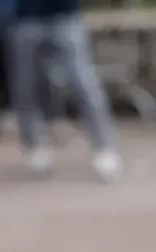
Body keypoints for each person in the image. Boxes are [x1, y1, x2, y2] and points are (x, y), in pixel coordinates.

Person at [8, 0, 122, 180]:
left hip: (65, 16)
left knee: (83, 83)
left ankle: (105, 147)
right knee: (26, 87)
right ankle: (34, 147)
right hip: (25, 18)